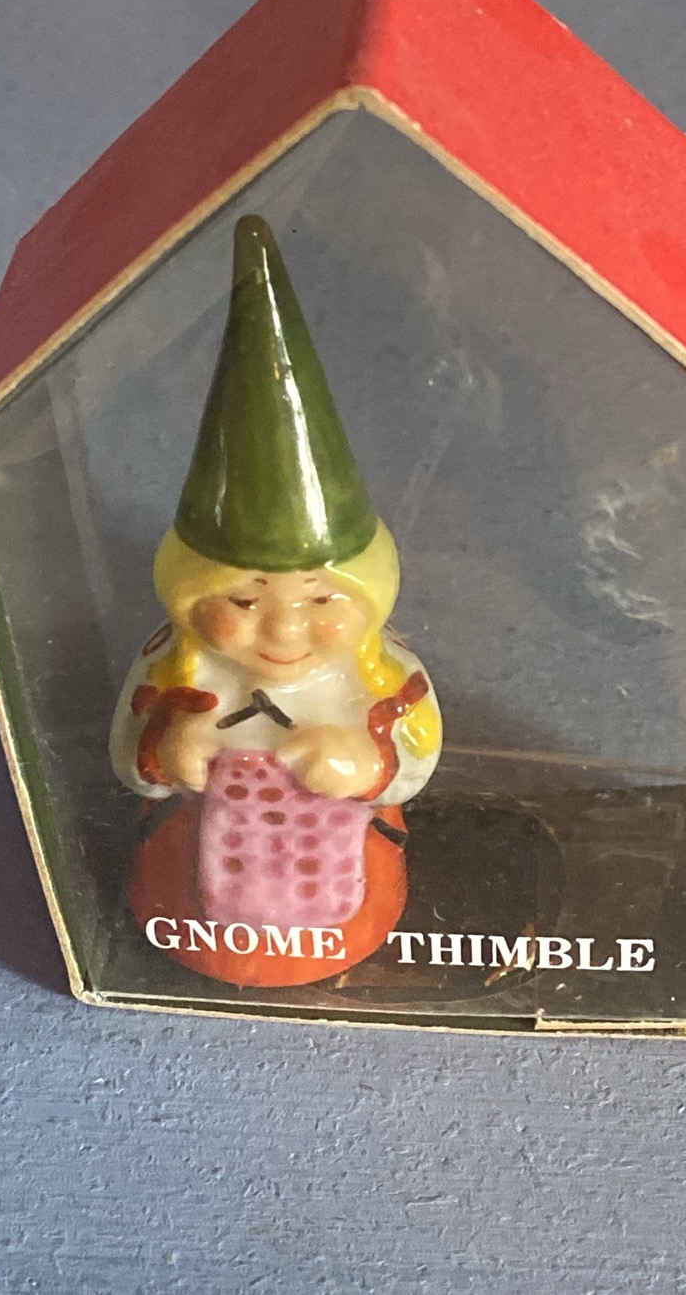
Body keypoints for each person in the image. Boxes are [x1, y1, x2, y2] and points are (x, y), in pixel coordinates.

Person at [110, 215, 440, 986]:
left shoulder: (380, 672)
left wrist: (363, 762)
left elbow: (417, 753)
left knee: (359, 886)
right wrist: (167, 753)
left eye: (320, 600)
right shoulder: (173, 666)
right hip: (194, 872)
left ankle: (337, 935)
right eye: (244, 600)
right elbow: (130, 754)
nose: (285, 630)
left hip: (343, 873)